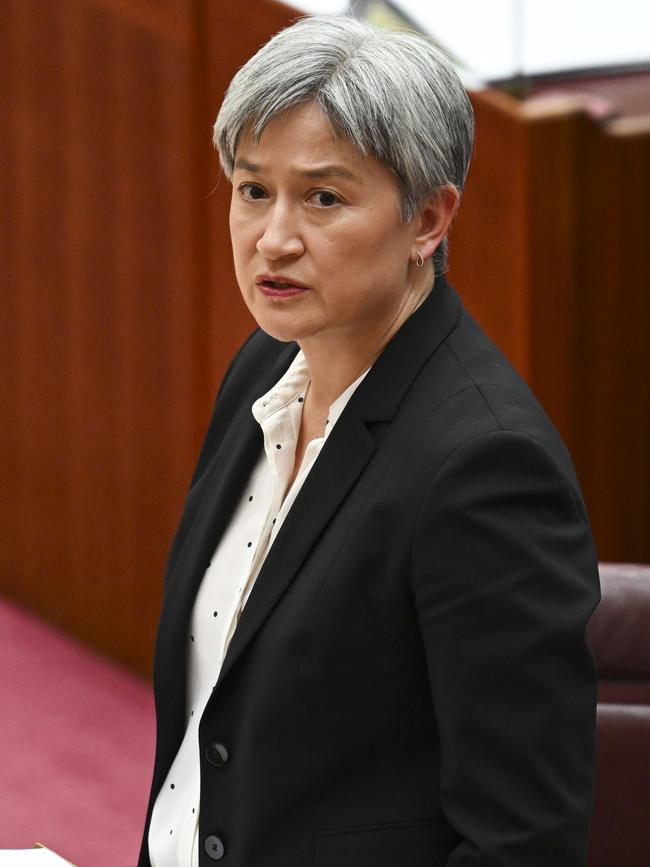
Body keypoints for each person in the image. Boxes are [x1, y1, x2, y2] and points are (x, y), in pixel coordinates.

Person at [139, 15, 599, 867]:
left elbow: (522, 841)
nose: (272, 238)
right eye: (252, 189)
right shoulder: (268, 365)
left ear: (428, 219)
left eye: (323, 196)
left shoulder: (486, 469)